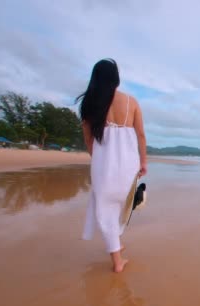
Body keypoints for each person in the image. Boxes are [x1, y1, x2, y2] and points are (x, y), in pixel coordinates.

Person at [77, 58, 147, 273]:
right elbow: (141, 135)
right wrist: (143, 161)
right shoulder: (131, 102)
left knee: (106, 208)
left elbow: (89, 141)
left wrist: (98, 159)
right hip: (128, 164)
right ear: (116, 78)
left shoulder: (89, 105)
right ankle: (117, 259)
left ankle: (116, 255)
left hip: (102, 165)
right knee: (122, 205)